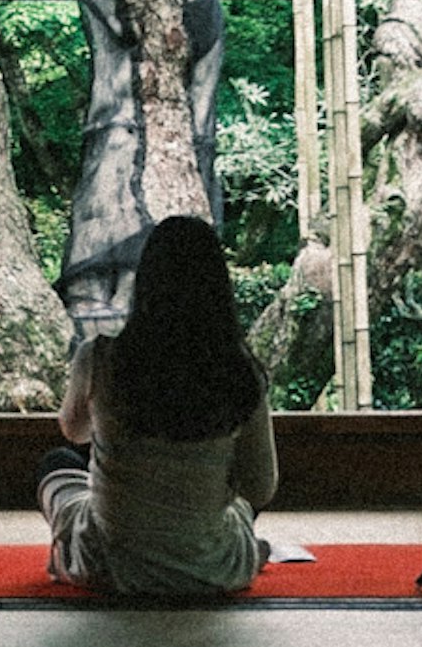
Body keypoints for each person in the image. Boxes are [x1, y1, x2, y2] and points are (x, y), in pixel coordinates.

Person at [38, 213, 279, 598]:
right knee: (239, 509)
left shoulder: (100, 356)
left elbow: (74, 432)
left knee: (58, 465)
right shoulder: (240, 372)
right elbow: (261, 487)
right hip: (209, 566)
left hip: (111, 566)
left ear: (144, 281)